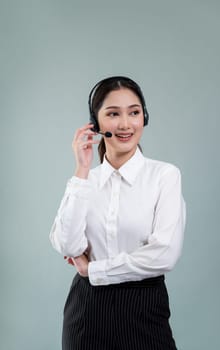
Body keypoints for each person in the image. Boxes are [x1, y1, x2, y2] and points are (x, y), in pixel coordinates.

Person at [49, 76, 186, 350]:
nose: (125, 124)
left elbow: (164, 254)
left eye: (134, 112)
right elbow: (66, 244)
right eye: (113, 114)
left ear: (144, 117)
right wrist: (82, 170)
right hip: (86, 313)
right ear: (97, 124)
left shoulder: (164, 176)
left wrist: (94, 269)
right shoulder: (85, 182)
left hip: (144, 309)